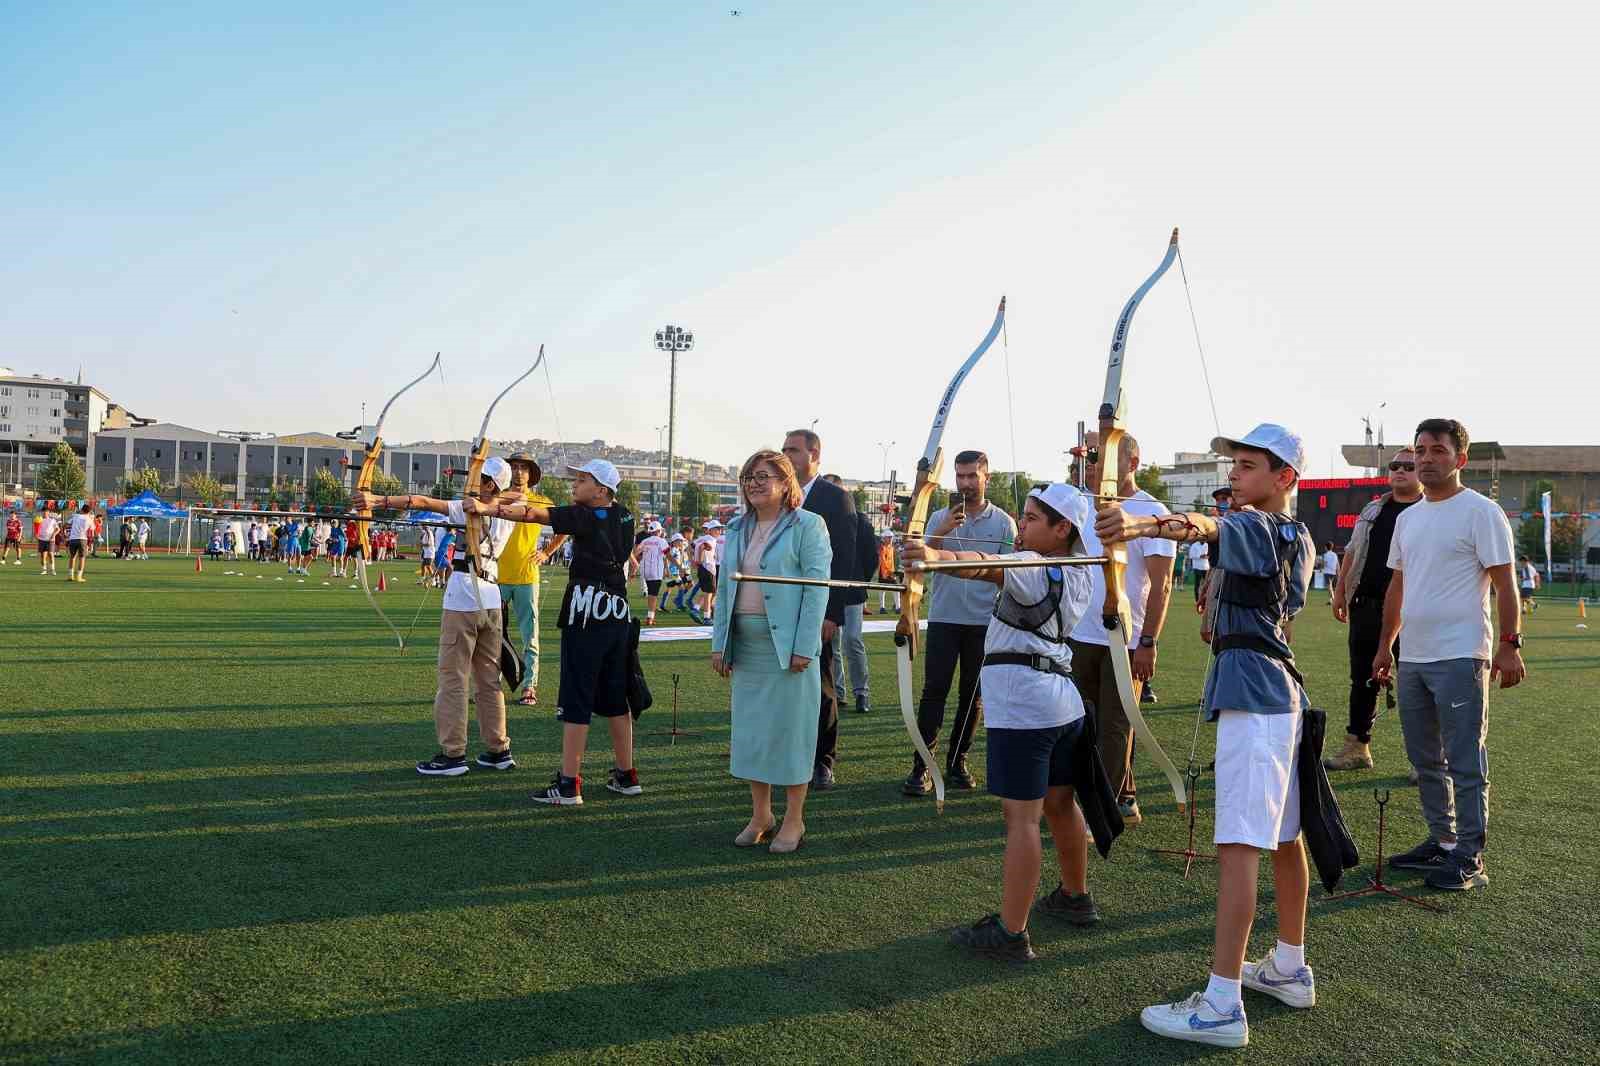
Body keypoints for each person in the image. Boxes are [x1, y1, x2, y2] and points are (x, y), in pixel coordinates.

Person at [1099, 424, 1315, 1050]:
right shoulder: (1293, 536)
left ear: (1285, 479)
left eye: (1248, 466)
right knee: (1281, 836)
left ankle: (1222, 1004)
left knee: (1241, 846)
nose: (1236, 476)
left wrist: (1138, 525)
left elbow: (1203, 524)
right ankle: (1288, 966)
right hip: (1277, 695)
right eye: (1236, 465)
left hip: (1256, 698)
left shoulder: (1255, 526)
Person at [903, 483, 1110, 961]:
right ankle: (1075, 898)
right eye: (1025, 515)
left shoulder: (1030, 566)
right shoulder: (1079, 571)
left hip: (1025, 707)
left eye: (1035, 519)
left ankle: (1012, 932)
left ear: (1063, 530)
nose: (1023, 525)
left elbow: (981, 563)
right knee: (1060, 804)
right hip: (1061, 703)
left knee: (1022, 820)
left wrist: (931, 555)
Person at [1375, 418, 1523, 892]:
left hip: (1462, 654)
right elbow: (1398, 584)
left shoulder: (1481, 512)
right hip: (1413, 656)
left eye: (1437, 450)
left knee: (1463, 758)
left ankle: (1469, 856)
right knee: (1425, 760)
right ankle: (1442, 841)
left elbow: (1505, 583)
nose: (1425, 458)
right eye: (1420, 450)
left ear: (1459, 459)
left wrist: (1509, 644)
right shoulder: (1409, 517)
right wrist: (1385, 647)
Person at [456, 458, 642, 806]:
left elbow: (531, 515)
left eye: (583, 480)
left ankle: (569, 784)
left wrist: (485, 507)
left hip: (587, 615)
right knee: (617, 698)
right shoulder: (625, 516)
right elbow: (536, 509)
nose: (575, 484)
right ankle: (626, 775)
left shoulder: (583, 516)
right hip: (618, 613)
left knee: (576, 698)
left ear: (601, 489)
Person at [356, 457, 518, 778]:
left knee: (453, 678)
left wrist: (377, 500)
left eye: (478, 477)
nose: (470, 482)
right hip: (491, 599)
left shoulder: (471, 508)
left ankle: (453, 754)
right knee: (488, 680)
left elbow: (420, 501)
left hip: (464, 600)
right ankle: (498, 750)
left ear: (489, 485)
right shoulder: (507, 512)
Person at [711, 449, 831, 853]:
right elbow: (726, 588)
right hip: (746, 645)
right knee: (752, 734)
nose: (754, 484)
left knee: (791, 733)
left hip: (788, 649)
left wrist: (804, 647)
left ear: (785, 482)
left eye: (763, 476)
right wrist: (720, 643)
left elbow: (817, 592)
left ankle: (794, 819)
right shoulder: (735, 528)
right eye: (748, 477)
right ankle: (761, 814)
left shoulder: (808, 525)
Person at [1065, 435, 1175, 825]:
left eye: (1102, 457)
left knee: (1113, 727)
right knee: (1085, 721)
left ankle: (1100, 811)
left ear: (1132, 463)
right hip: (1083, 635)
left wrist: (1148, 642)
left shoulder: (1151, 512)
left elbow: (1162, 585)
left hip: (1124, 639)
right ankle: (1123, 796)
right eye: (1091, 457)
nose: (1092, 464)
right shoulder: (1086, 508)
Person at [904, 449, 1018, 796]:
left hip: (984, 623)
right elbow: (916, 560)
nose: (965, 483)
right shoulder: (939, 515)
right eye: (960, 476)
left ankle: (957, 762)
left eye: (972, 476)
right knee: (933, 693)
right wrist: (940, 531)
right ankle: (921, 766)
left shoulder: (1003, 523)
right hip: (943, 618)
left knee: (974, 695)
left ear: (987, 478)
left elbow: (1009, 573)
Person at [1326, 449, 1421, 771]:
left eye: (1409, 466)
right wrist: (1340, 592)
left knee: (1416, 682)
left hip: (1413, 611)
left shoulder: (1430, 511)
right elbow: (1352, 552)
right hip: (1365, 606)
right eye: (1395, 466)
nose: (1400, 471)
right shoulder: (1372, 509)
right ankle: (1357, 747)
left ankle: (1424, 761)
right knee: (1362, 679)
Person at [782, 428, 857, 791]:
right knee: (783, 682)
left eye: (793, 450)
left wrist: (832, 614)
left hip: (818, 608)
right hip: (780, 607)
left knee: (822, 685)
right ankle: (789, 754)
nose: (787, 456)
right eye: (783, 449)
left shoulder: (836, 498)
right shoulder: (778, 496)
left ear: (814, 454)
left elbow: (844, 560)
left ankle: (823, 761)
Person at [497, 452, 566, 707]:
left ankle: (529, 685)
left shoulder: (541, 502)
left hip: (527, 577)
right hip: (497, 576)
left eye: (523, 469)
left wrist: (547, 552)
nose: (518, 473)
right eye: (513, 467)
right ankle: (491, 686)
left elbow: (565, 526)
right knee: (493, 636)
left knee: (530, 636)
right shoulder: (498, 499)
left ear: (530, 474)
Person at [823, 474, 877, 714]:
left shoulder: (861, 522)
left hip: (852, 590)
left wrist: (859, 581)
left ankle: (861, 693)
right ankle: (837, 692)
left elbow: (871, 558)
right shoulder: (817, 521)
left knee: (852, 640)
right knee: (830, 642)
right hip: (825, 589)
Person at [630, 521, 670, 625]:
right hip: (656, 571)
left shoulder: (644, 541)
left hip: (645, 570)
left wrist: (634, 567)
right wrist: (679, 567)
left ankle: (650, 616)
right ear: (658, 531)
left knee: (651, 594)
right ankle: (650, 618)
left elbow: (635, 553)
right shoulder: (662, 541)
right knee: (653, 594)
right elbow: (668, 555)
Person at [691, 520, 722, 624]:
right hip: (708, 568)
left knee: (706, 592)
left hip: (702, 568)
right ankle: (706, 617)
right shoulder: (711, 539)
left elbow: (694, 546)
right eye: (717, 529)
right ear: (710, 530)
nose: (719, 531)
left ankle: (696, 609)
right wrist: (699, 559)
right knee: (709, 594)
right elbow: (702, 547)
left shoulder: (700, 538)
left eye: (720, 528)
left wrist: (696, 561)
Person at [65, 503, 94, 583]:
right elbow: (91, 531)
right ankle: (79, 577)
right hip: (82, 539)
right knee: (82, 558)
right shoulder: (89, 519)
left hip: (73, 539)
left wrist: (65, 535)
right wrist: (90, 544)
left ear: (81, 510)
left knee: (72, 557)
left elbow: (66, 524)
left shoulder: (75, 516)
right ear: (89, 511)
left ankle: (70, 576)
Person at [874, 529, 900, 613]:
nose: (891, 539)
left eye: (891, 537)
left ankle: (896, 607)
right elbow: (883, 561)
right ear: (884, 538)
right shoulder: (882, 548)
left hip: (890, 571)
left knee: (894, 589)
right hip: (884, 572)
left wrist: (893, 571)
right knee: (884, 590)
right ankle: (885, 608)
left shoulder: (891, 548)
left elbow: (891, 561)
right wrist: (889, 572)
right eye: (889, 537)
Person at [37, 506, 60, 575]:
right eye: (43, 512)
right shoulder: (39, 520)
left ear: (49, 513)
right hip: (41, 539)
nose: (45, 513)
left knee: (51, 554)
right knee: (43, 556)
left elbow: (58, 529)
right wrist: (36, 535)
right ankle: (44, 569)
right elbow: (36, 529)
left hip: (50, 540)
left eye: (46, 512)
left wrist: (53, 535)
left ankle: (52, 569)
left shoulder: (52, 520)